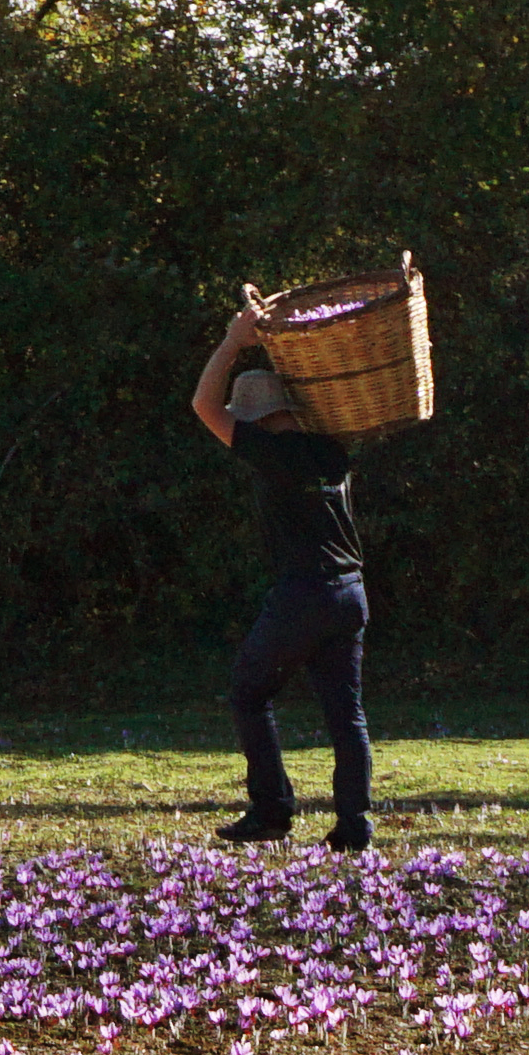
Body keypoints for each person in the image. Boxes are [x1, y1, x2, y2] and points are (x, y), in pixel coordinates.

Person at [194, 309, 370, 853]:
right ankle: (354, 826)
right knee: (346, 713)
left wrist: (231, 340)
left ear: (260, 416)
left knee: (249, 692)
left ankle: (272, 810)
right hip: (351, 591)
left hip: (305, 594)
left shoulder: (270, 454)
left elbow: (202, 405)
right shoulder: (331, 451)